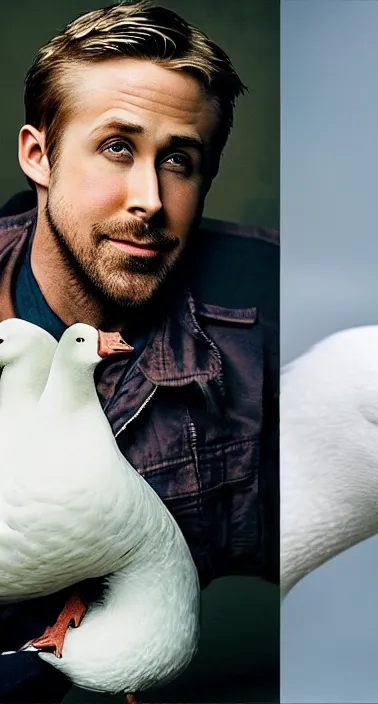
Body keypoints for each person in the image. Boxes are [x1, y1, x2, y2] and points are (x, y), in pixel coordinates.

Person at [0, 1, 278, 700]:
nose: (150, 200)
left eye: (179, 160)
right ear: (38, 155)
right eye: (117, 147)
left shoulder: (269, 318)